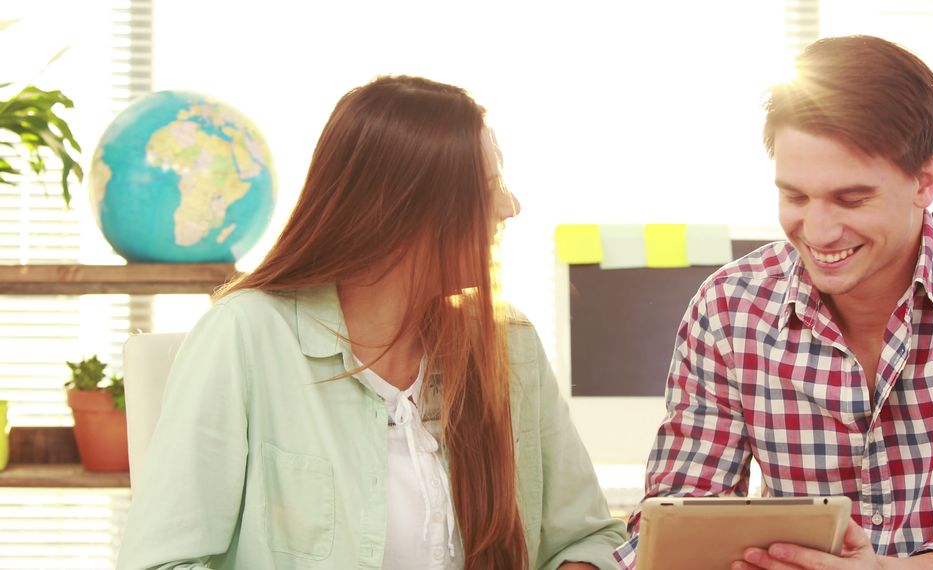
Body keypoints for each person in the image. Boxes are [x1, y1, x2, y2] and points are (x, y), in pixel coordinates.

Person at [118, 75, 625, 570]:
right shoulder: (244, 336)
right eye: (488, 187)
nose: (510, 207)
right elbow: (161, 562)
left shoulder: (508, 343)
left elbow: (591, 537)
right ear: (409, 209)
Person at [615, 35, 933, 569]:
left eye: (851, 199)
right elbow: (676, 516)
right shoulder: (728, 307)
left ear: (925, 181)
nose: (817, 231)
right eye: (794, 196)